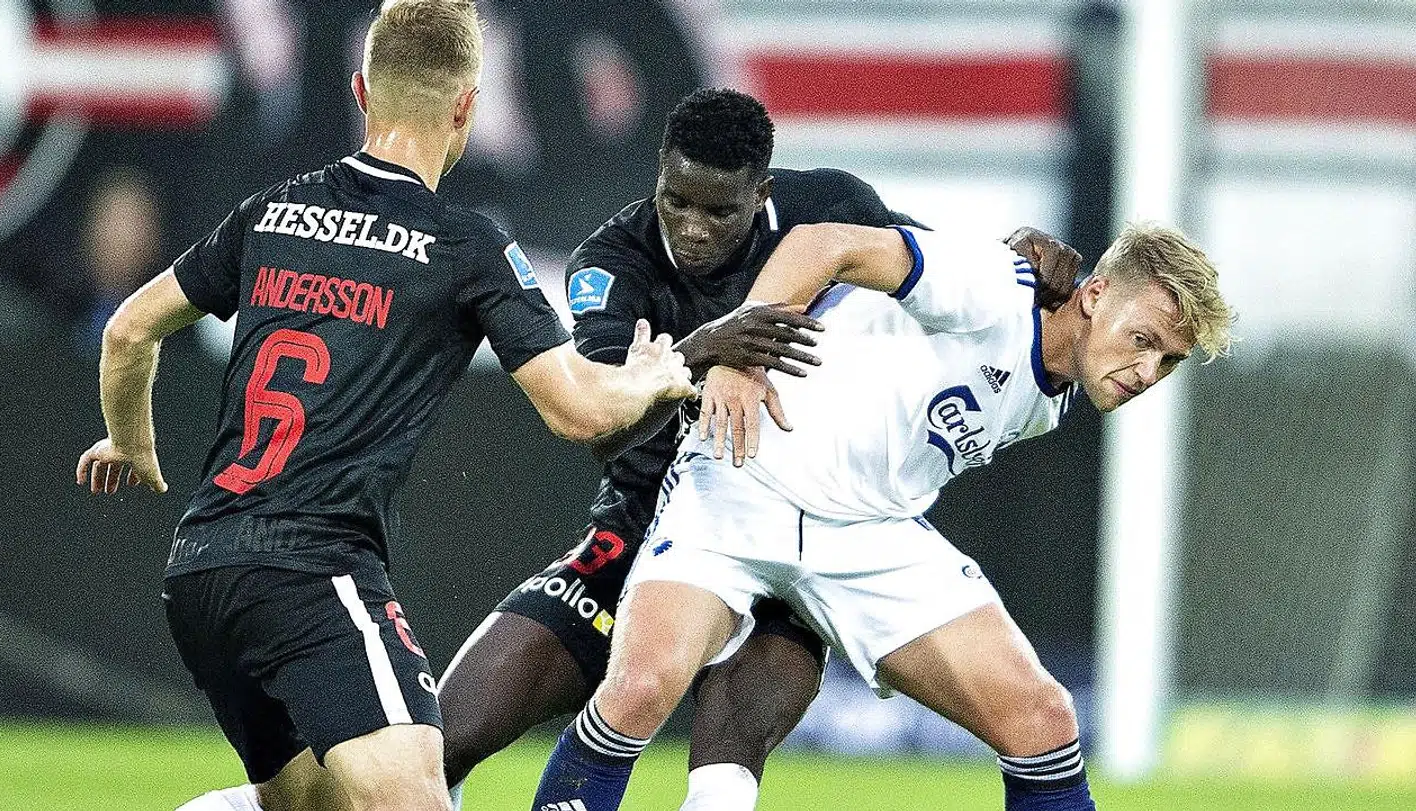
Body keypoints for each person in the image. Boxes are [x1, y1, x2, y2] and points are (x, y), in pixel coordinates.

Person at [74, 3, 694, 811]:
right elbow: (578, 410)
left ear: (362, 91)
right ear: (468, 105)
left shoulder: (273, 211)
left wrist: (131, 442)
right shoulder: (463, 242)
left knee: (307, 807)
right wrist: (653, 373)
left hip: (203, 573)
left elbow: (128, 331)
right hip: (312, 572)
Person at [435, 87, 1083, 811]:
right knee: (447, 740)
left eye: (719, 210)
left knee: (728, 759)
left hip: (798, 520)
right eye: (676, 200)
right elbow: (603, 429)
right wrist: (701, 356)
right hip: (647, 520)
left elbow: (927, 271)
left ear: (763, 193)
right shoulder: (615, 265)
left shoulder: (831, 206)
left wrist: (1014, 258)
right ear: (658, 174)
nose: (693, 228)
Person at [528, 219, 1233, 811]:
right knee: (642, 686)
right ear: (1097, 294)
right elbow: (819, 243)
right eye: (1143, 339)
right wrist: (741, 354)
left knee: (1043, 717)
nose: (1147, 373)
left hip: (870, 537)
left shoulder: (1054, 397)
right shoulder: (994, 285)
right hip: (744, 479)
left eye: (1168, 361)